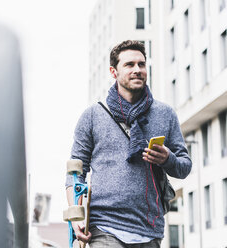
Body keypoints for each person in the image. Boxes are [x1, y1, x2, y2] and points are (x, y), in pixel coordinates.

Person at [65, 40, 192, 248]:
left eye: (141, 64)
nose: (137, 70)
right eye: (129, 65)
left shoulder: (165, 114)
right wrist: (75, 215)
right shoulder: (92, 116)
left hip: (149, 230)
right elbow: (74, 173)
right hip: (105, 227)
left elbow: (185, 167)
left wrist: (167, 158)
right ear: (113, 71)